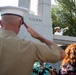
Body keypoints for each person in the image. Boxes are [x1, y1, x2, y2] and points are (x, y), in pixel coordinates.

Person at [0, 6, 66, 75]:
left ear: (0, 23)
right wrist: (39, 37)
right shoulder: (29, 47)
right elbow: (62, 54)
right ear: (20, 23)